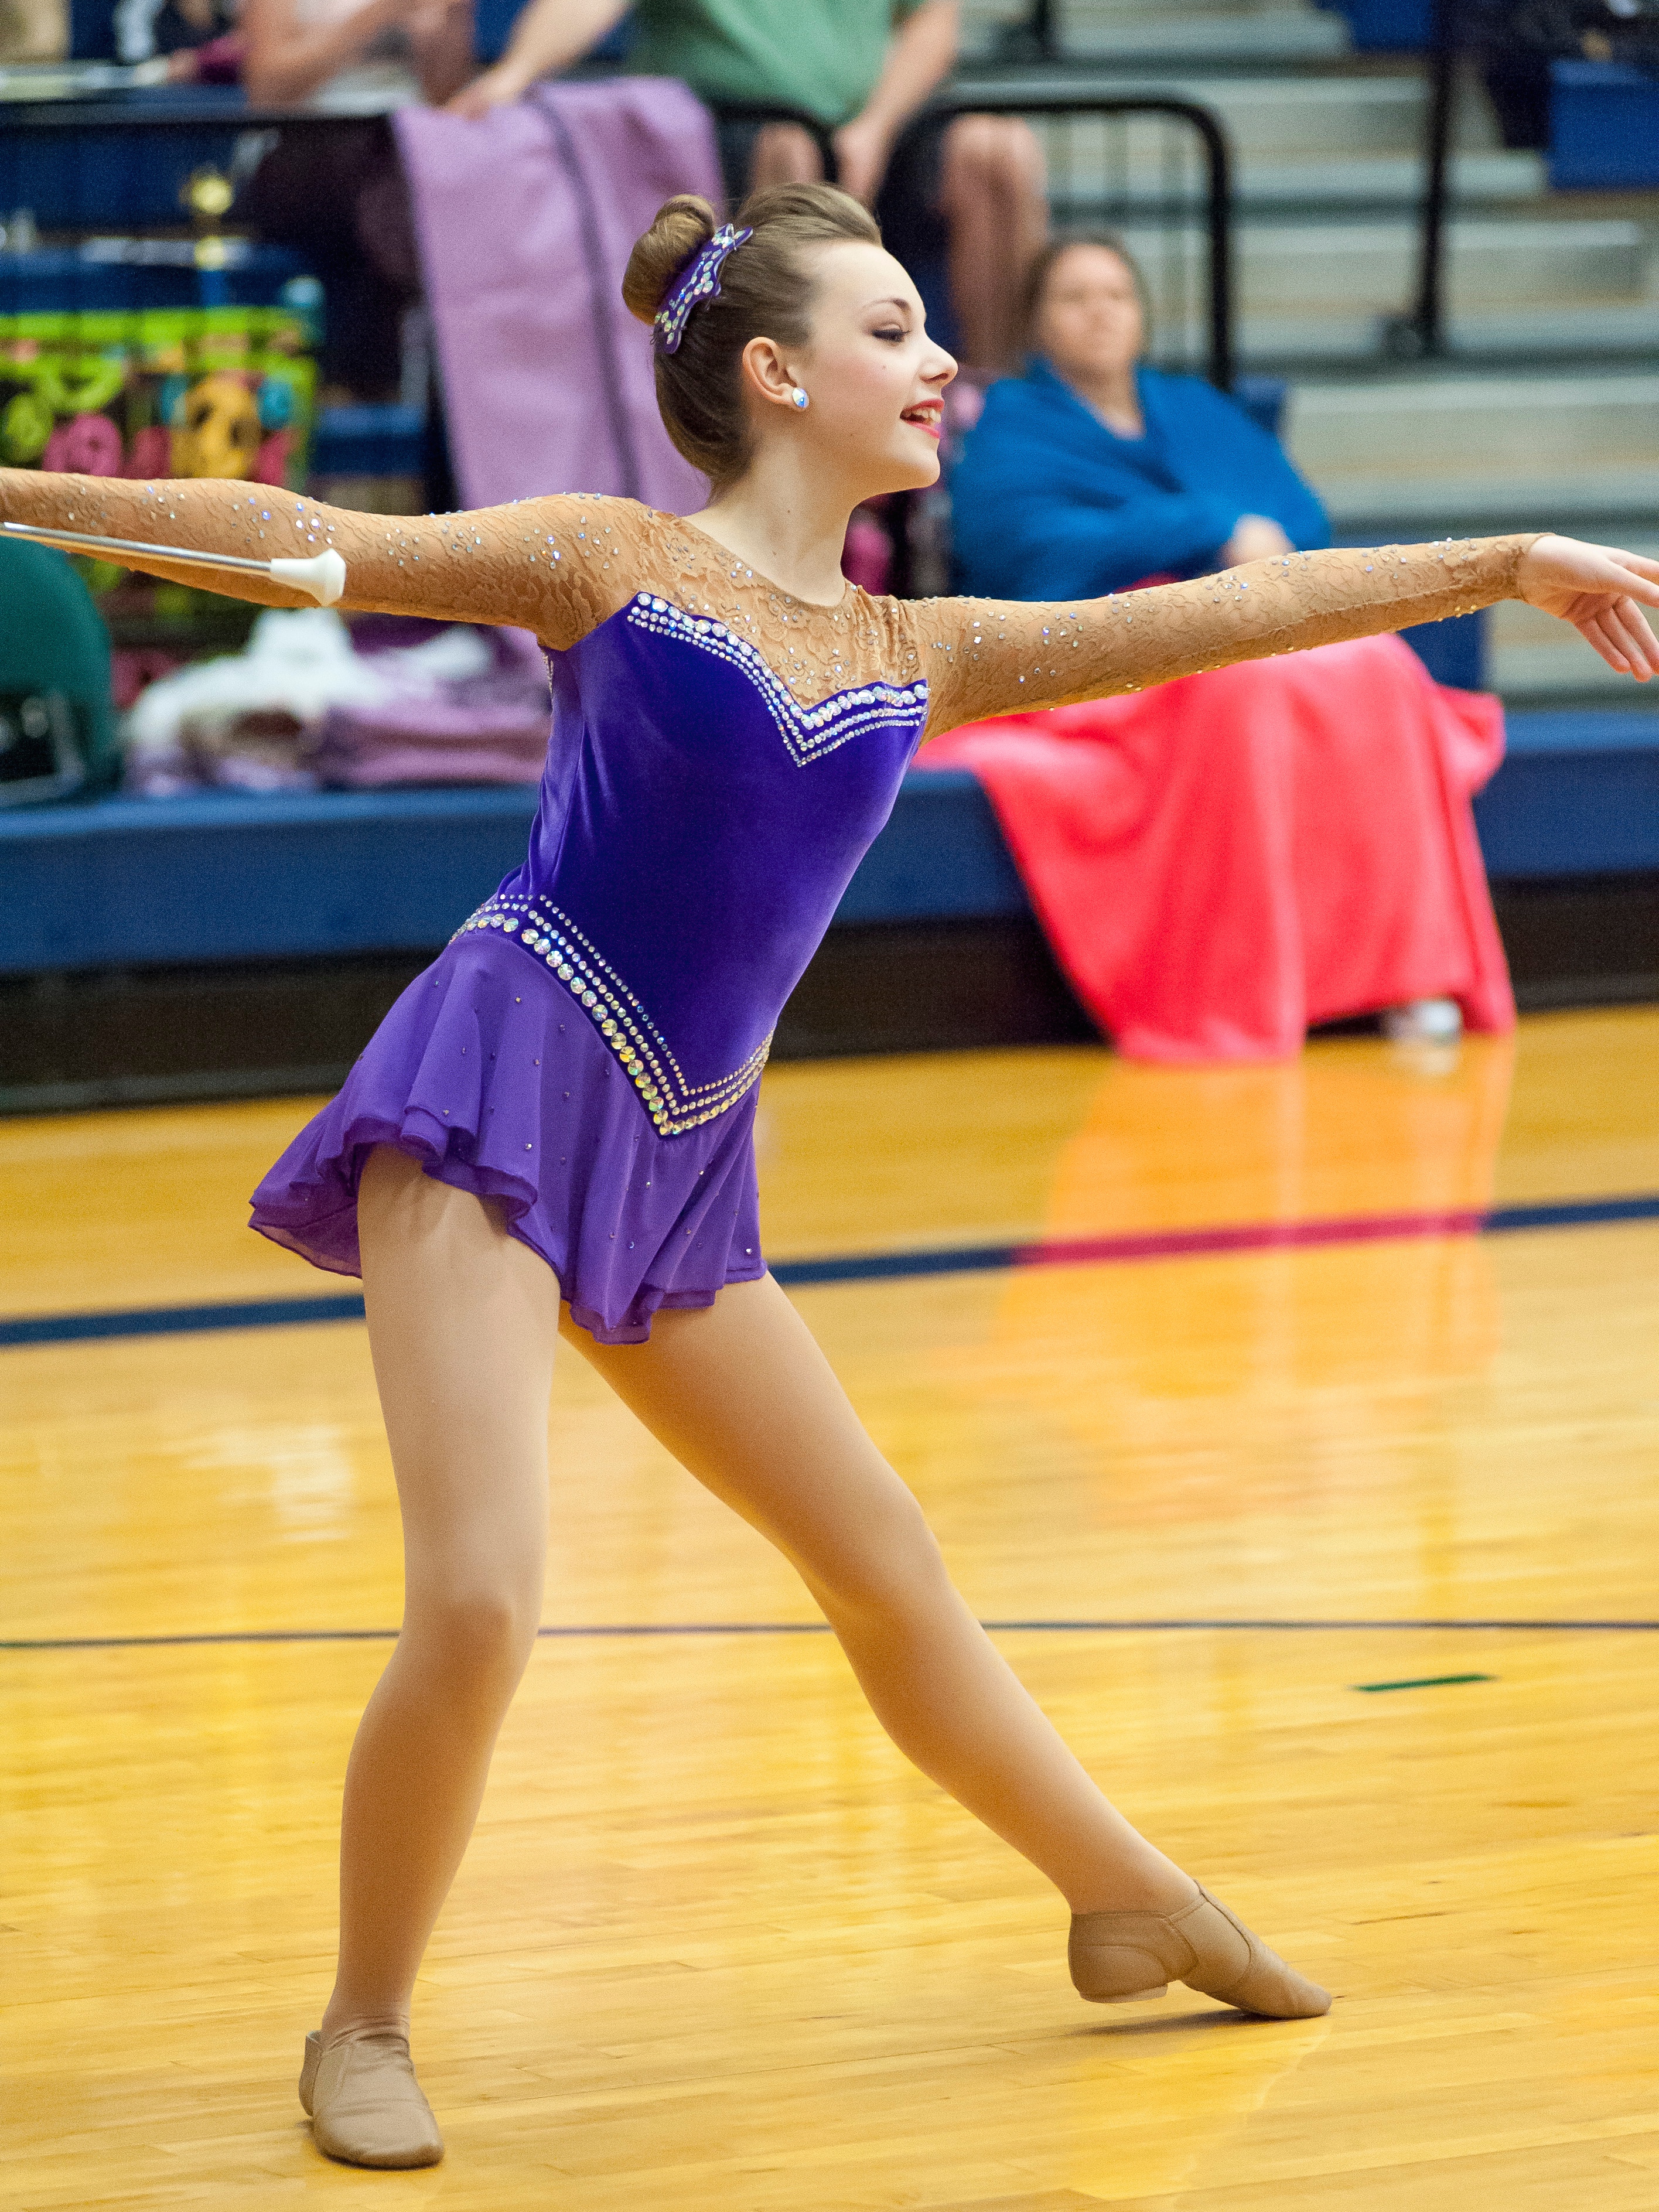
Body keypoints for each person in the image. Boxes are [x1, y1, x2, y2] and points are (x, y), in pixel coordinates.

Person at [4, 185, 1654, 2170]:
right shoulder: (608, 562)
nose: (942, 357)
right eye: (895, 328)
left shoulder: (918, 647)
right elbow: (318, 545)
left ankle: (1125, 1892)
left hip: (690, 1154)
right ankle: (360, 2014)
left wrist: (1509, 555)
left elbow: (1228, 611)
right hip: (504, 1089)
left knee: (885, 1564)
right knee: (483, 1598)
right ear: (778, 373)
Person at [939, 235, 1523, 1061]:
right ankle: (1253, 983)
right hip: (1111, 642)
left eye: (1117, 294)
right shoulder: (1012, 427)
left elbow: (1300, 525)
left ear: (1142, 314)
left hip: (1248, 617)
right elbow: (1022, 550)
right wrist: (1205, 525)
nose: (1100, 311)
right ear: (1038, 322)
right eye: (1075, 297)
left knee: (1382, 666)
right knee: (1235, 689)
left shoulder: (1195, 409)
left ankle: (1409, 973)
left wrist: (1243, 553)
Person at [450, 0, 1048, 370]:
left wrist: (874, 127)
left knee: (999, 151)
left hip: (872, 129)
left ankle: (989, 411)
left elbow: (930, 25)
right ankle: (799, 403)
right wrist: (516, 73)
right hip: (724, 132)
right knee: (788, 150)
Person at [236, 0, 474, 398]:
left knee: (406, 183)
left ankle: (367, 389)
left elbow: (446, 91)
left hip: (408, 156)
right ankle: (368, 388)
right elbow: (268, 88)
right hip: (307, 156)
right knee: (379, 185)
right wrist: (375, 15)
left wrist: (440, 31)